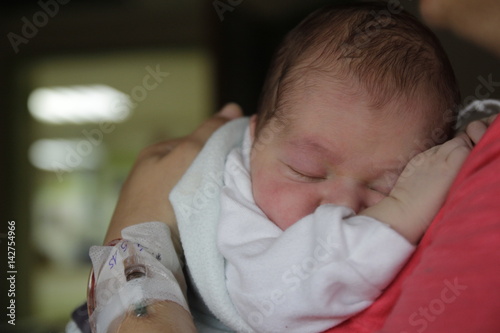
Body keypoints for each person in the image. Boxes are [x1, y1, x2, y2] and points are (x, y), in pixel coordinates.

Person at [79, 0, 500, 332]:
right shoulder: (232, 196)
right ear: (254, 140)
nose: (338, 207)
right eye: (307, 170)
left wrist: (458, 157)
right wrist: (402, 205)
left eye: (387, 184)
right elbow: (277, 304)